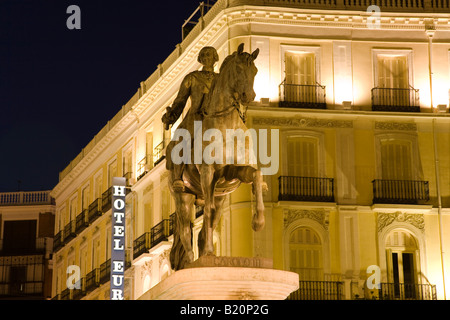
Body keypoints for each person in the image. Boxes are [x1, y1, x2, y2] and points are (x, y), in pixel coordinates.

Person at [162, 46, 219, 192]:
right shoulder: (192, 78)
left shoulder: (220, 79)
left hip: (215, 118)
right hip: (195, 117)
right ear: (200, 59)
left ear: (215, 58)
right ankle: (178, 177)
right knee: (183, 140)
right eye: (204, 55)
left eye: (210, 55)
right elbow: (180, 101)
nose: (207, 58)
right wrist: (170, 116)